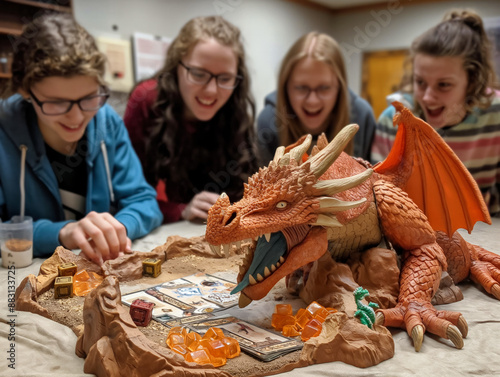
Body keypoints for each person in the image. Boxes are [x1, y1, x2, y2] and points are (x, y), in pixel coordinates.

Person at [0, 13, 163, 263]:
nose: (76, 117)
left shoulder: (107, 121)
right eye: (56, 103)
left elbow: (144, 202)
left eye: (89, 98)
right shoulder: (3, 131)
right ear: (25, 90)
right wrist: (61, 232)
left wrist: (115, 230)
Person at [124, 16, 257, 223]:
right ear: (176, 66)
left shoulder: (235, 108)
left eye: (225, 78)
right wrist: (180, 210)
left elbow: (245, 191)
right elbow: (130, 194)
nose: (211, 90)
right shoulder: (146, 101)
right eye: (198, 74)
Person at [371, 9, 500, 216]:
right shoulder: (392, 120)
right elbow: (378, 195)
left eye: (444, 85)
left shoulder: (496, 115)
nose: (428, 97)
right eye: (420, 82)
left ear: (473, 82)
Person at [257, 31, 376, 166]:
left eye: (324, 88)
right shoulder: (268, 121)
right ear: (285, 87)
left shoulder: (362, 116)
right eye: (301, 87)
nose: (312, 101)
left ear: (339, 87)